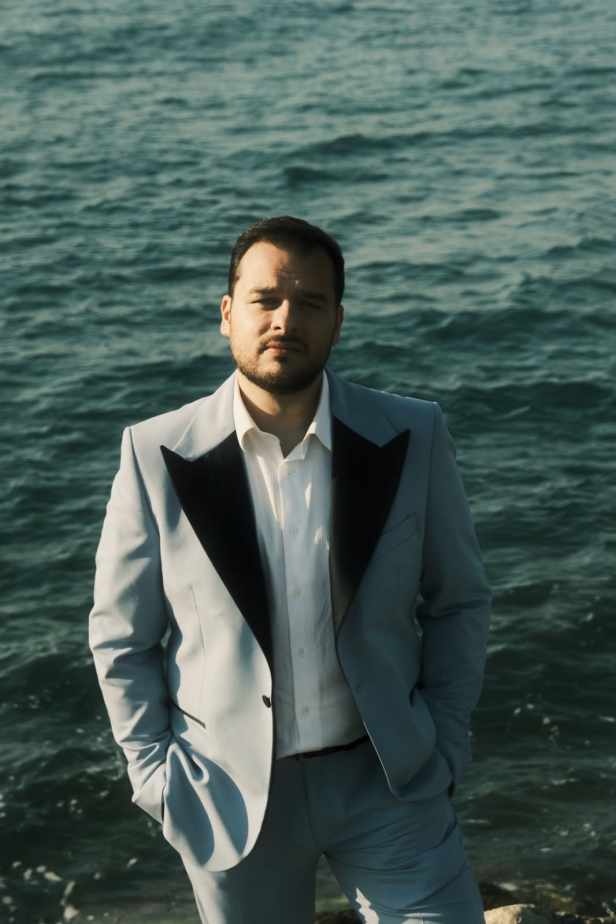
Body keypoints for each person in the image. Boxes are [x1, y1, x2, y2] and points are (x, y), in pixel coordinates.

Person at [89, 215, 491, 924]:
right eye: (266, 299)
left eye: (309, 302)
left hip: (388, 782)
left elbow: (457, 600)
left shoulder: (413, 434)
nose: (285, 319)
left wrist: (444, 740)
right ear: (227, 313)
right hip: (227, 794)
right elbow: (122, 637)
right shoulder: (155, 455)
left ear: (337, 320)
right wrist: (155, 775)